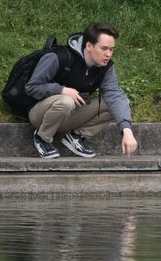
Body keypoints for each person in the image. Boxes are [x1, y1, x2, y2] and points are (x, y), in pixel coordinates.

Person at [23, 23, 138, 159]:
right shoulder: (58, 57)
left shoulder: (105, 67)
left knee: (121, 102)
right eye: (104, 49)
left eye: (111, 49)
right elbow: (32, 87)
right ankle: (42, 137)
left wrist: (127, 131)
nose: (108, 54)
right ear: (89, 46)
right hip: (40, 114)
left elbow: (115, 96)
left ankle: (76, 136)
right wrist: (62, 90)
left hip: (70, 113)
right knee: (66, 101)